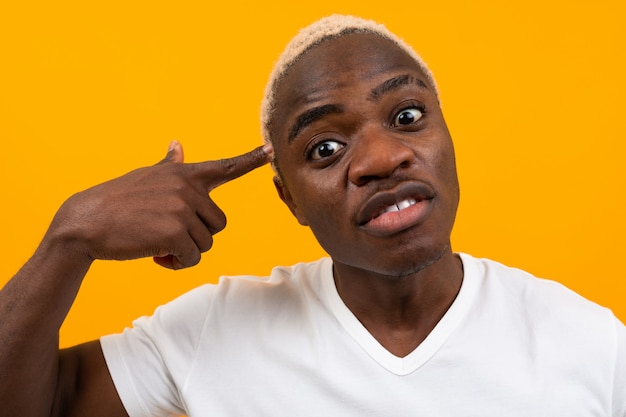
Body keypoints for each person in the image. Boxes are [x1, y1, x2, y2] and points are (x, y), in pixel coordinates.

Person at [1, 14, 624, 417]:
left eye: (407, 116)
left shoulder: (592, 346)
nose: (381, 158)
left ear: (448, 137)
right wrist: (69, 238)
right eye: (325, 148)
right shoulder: (213, 331)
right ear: (289, 199)